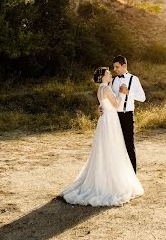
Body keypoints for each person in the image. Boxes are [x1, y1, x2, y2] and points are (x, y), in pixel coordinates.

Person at [60, 67, 144, 207]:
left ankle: (103, 177)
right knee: (112, 149)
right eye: (108, 73)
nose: (111, 73)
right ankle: (111, 181)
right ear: (104, 77)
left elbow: (102, 104)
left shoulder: (101, 89)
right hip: (110, 121)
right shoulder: (107, 89)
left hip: (105, 121)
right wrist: (123, 93)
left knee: (104, 150)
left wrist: (100, 108)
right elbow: (116, 105)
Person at [110, 55, 146, 173]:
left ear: (124, 65)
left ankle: (132, 175)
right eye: (114, 67)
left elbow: (142, 98)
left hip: (127, 115)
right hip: (114, 117)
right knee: (115, 146)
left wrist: (128, 92)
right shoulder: (113, 80)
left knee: (129, 145)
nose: (115, 69)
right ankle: (118, 174)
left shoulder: (134, 79)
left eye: (117, 67)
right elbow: (108, 98)